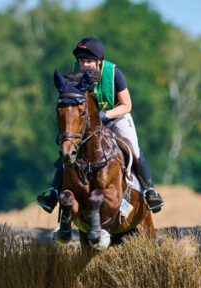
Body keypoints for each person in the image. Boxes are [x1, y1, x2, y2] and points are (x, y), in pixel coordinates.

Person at [37, 37, 164, 213]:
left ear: (99, 62)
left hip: (116, 117)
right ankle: (53, 191)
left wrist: (105, 115)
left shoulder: (114, 74)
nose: (84, 65)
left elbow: (127, 105)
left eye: (89, 61)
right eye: (81, 61)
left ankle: (150, 191)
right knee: (69, 150)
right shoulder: (75, 75)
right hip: (90, 125)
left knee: (133, 148)